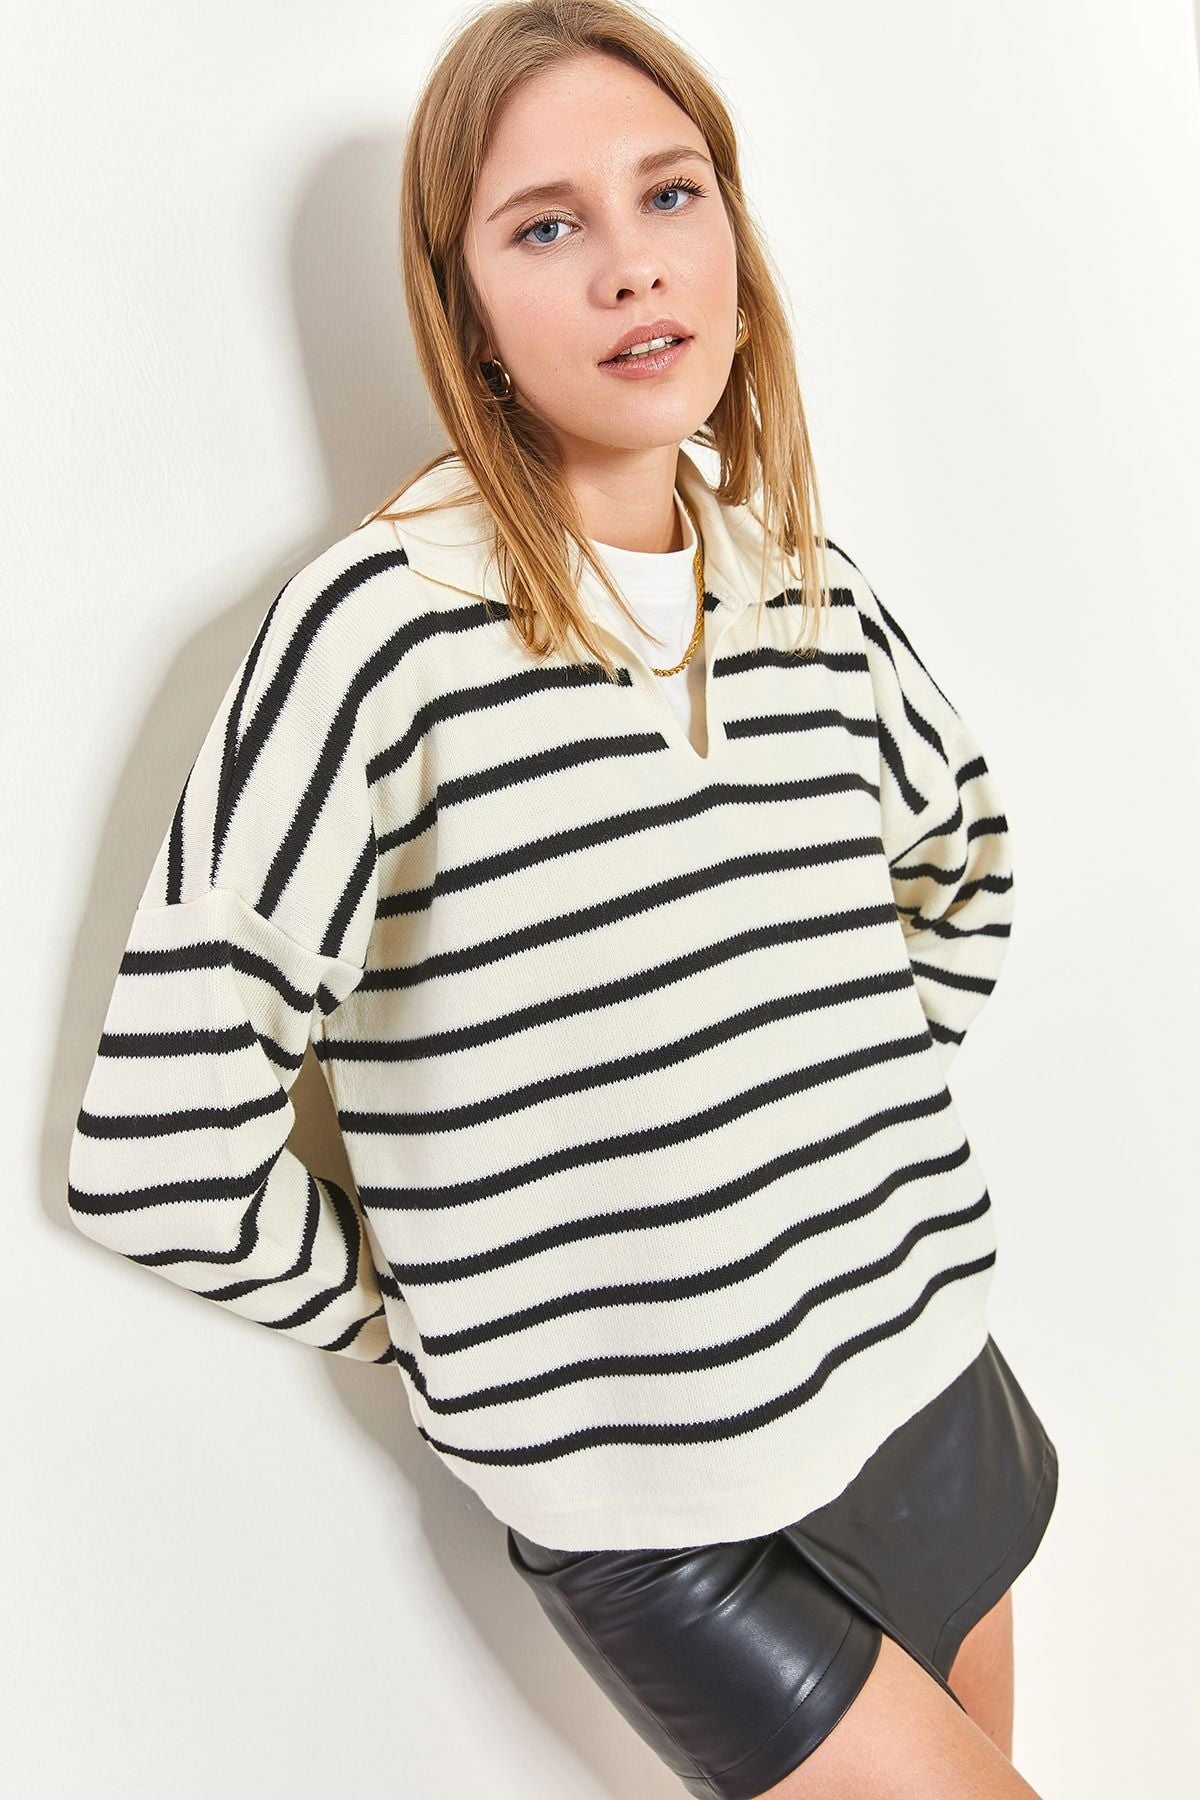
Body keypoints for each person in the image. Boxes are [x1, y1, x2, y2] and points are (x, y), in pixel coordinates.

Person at [66, 2, 1058, 1794]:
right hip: (655, 1508)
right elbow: (157, 1153)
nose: (631, 266)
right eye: (545, 225)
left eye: (670, 194)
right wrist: (451, 1309)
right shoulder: (378, 637)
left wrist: (830, 1122)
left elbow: (962, 866)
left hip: (924, 1365)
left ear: (734, 241)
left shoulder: (804, 588)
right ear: (465, 311)